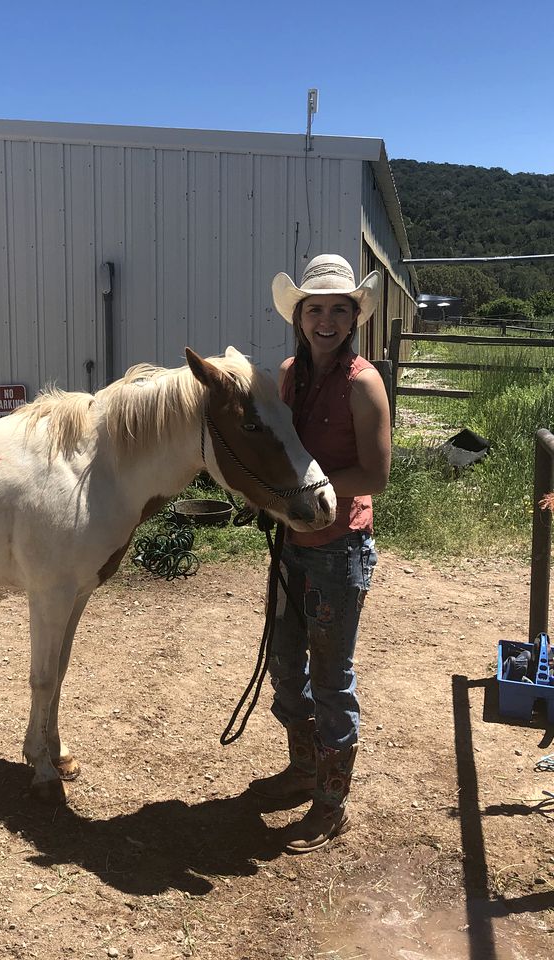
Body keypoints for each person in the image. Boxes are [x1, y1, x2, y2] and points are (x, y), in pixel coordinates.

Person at [249, 254, 391, 854]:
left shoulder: (363, 383)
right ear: (299, 318)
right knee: (285, 662)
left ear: (353, 317)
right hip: (290, 541)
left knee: (332, 677)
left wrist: (306, 487)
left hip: (338, 547)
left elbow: (375, 475)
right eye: (315, 309)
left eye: (338, 308)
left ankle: (330, 803)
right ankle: (304, 765)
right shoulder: (287, 375)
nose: (325, 319)